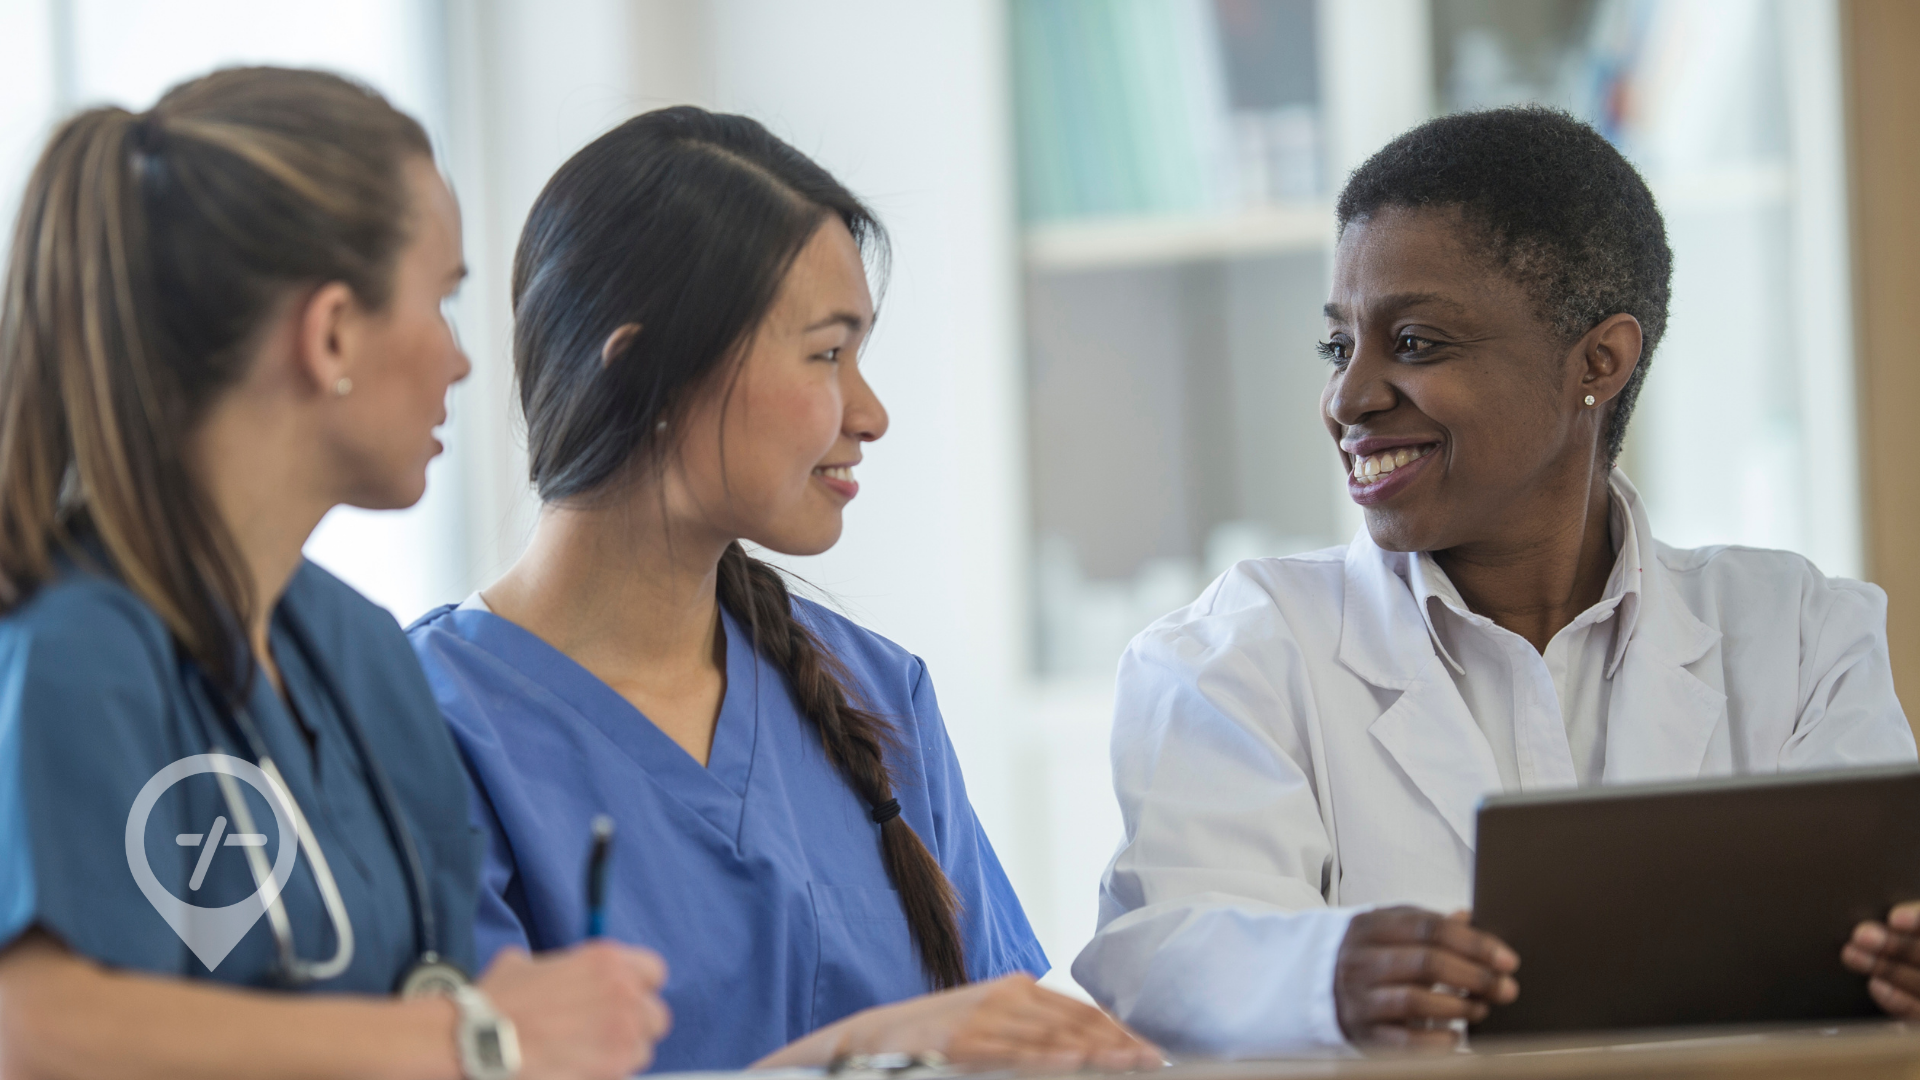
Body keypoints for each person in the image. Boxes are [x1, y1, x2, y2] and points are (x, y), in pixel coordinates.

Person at [1070, 106, 1920, 1058]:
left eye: (1418, 343)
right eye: (1339, 345)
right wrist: (1326, 977)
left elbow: (1865, 962)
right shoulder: (1236, 657)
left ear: (1598, 361)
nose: (1349, 398)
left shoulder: (1796, 633)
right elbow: (1173, 952)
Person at [406, 107, 1161, 1072]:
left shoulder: (879, 696)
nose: (872, 412)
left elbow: (995, 1041)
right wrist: (856, 1053)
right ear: (644, 371)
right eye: (827, 353)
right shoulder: (424, 732)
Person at [0, 68, 669, 1079]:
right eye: (441, 299)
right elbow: (31, 1031)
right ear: (331, 334)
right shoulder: (75, 651)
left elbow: (437, 1002)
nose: (461, 360)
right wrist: (473, 1039)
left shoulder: (362, 653)